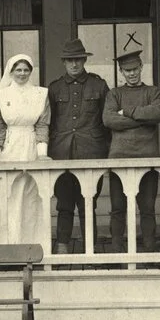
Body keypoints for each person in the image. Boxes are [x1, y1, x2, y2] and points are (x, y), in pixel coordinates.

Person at [0, 54, 51, 246]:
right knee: (5, 196)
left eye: (26, 70)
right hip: (8, 149)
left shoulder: (40, 94)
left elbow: (42, 125)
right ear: (10, 71)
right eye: (18, 70)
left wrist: (42, 154)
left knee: (29, 198)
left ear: (31, 72)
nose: (22, 73)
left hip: (31, 148)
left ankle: (30, 245)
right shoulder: (1, 96)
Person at [48, 38, 110, 254]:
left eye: (78, 60)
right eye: (69, 60)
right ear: (64, 62)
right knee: (64, 203)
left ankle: (89, 247)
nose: (74, 64)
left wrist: (106, 153)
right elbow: (49, 122)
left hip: (91, 152)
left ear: (84, 60)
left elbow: (107, 121)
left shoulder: (99, 85)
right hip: (61, 153)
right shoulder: (54, 88)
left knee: (88, 202)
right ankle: (63, 244)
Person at [102, 50, 160, 253]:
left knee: (147, 208)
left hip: (147, 158)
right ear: (121, 71)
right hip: (119, 158)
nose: (131, 74)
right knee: (118, 208)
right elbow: (109, 120)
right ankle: (117, 252)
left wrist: (127, 113)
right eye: (127, 70)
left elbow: (156, 113)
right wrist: (141, 121)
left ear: (141, 68)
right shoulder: (114, 94)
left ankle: (149, 250)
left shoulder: (153, 92)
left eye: (135, 69)